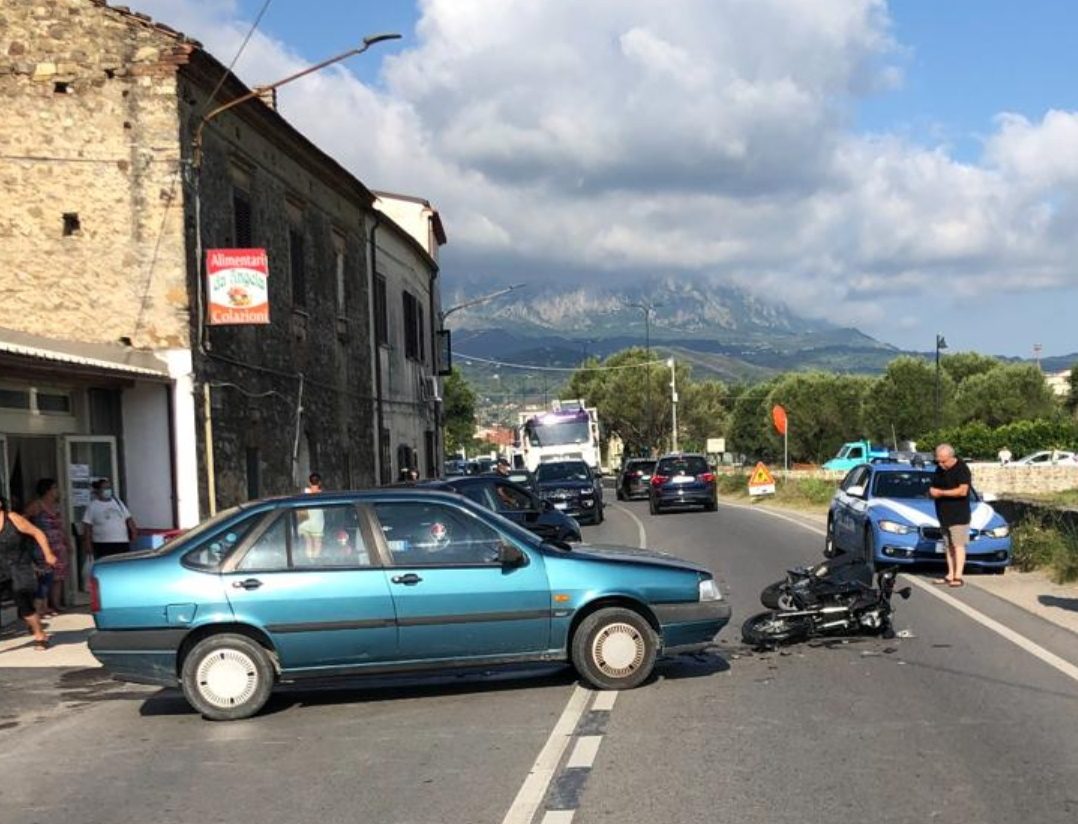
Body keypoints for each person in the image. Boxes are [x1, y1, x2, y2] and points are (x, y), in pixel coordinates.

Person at [0, 495, 57, 650]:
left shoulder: (12, 518)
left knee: (23, 602)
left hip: (19, 565)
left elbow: (37, 533)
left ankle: (39, 634)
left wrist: (48, 554)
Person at [23, 478, 72, 616]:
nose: (57, 491)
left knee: (58, 576)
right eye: (55, 488)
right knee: (45, 575)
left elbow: (61, 526)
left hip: (58, 545)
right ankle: (42, 606)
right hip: (43, 545)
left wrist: (67, 542)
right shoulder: (37, 505)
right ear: (47, 490)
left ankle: (55, 603)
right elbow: (23, 519)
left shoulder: (55, 506)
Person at [929, 443, 972, 588]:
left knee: (958, 544)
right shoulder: (938, 470)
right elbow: (933, 487)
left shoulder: (961, 469)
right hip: (943, 514)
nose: (940, 464)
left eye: (943, 461)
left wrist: (941, 493)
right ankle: (950, 574)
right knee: (948, 546)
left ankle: (958, 576)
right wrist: (931, 493)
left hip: (958, 515)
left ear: (951, 457)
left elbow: (962, 491)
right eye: (938, 461)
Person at [82, 478, 137, 560]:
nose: (107, 490)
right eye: (104, 488)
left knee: (121, 565)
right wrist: (87, 543)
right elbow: (87, 527)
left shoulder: (118, 502)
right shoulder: (93, 506)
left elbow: (129, 519)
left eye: (109, 488)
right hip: (103, 543)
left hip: (121, 542)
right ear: (98, 490)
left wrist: (134, 532)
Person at [297, 472, 324, 560]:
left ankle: (309, 560)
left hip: (305, 522)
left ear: (309, 482)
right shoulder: (322, 495)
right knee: (317, 542)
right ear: (319, 482)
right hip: (317, 523)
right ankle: (314, 560)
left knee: (308, 542)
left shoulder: (305, 493)